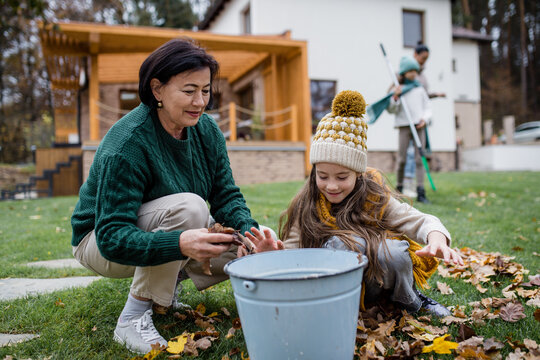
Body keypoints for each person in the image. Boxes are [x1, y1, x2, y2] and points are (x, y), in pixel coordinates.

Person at [71, 38, 276, 354]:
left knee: (249, 242)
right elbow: (111, 236)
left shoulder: (206, 131)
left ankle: (164, 290)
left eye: (206, 90)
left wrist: (251, 237)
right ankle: (133, 316)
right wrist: (179, 244)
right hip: (97, 241)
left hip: (159, 228)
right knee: (190, 208)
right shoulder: (127, 144)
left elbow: (226, 195)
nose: (199, 101)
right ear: (157, 90)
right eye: (189, 90)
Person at [247, 90, 463, 317]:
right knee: (343, 245)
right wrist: (273, 255)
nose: (331, 186)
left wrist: (436, 238)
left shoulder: (374, 197)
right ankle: (346, 307)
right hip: (337, 287)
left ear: (358, 174)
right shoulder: (307, 204)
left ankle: (407, 300)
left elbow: (418, 220)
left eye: (341, 177)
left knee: (395, 252)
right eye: (322, 176)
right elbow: (292, 251)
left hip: (379, 280)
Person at [387, 56, 432, 203]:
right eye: (410, 71)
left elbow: (427, 107)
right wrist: (395, 97)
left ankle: (421, 191)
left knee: (420, 158)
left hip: (419, 125)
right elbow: (392, 110)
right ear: (404, 73)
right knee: (402, 159)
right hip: (404, 126)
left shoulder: (419, 88)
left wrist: (425, 119)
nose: (413, 74)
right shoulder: (398, 89)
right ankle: (398, 189)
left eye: (415, 71)